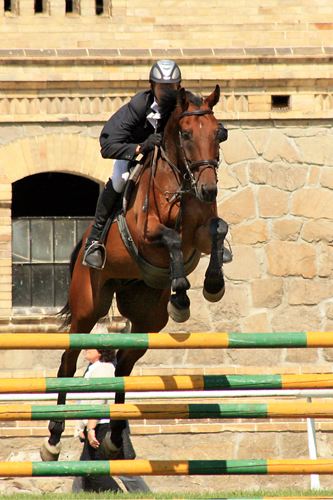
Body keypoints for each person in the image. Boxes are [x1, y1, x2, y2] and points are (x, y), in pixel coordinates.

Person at [82, 59, 229, 269]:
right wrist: (140, 147)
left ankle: (215, 238)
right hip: (133, 152)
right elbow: (108, 145)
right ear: (152, 87)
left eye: (172, 86)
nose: (168, 91)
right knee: (119, 180)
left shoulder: (185, 103)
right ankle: (95, 241)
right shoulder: (138, 106)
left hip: (166, 160)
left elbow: (209, 125)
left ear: (179, 87)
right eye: (163, 87)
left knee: (199, 179)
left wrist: (216, 133)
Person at [74, 347, 150, 493]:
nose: (86, 348)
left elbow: (98, 400)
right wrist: (81, 427)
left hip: (103, 425)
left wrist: (90, 428)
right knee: (85, 469)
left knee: (93, 470)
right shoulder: (94, 368)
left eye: (91, 346)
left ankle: (122, 495)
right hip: (97, 423)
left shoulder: (103, 369)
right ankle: (77, 495)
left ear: (101, 351)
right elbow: (84, 401)